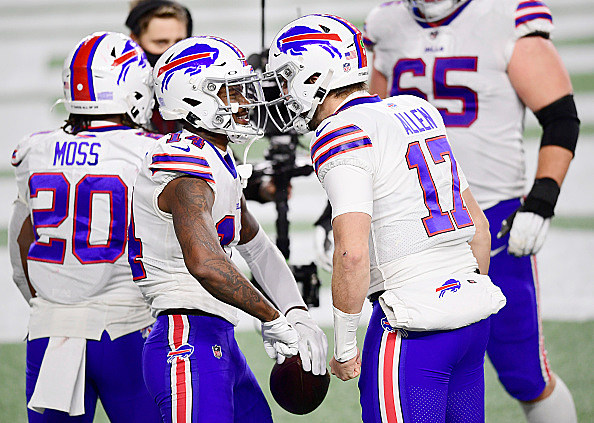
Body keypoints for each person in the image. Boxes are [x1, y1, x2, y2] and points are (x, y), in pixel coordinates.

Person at [264, 13, 507, 422]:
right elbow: (478, 227)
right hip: (471, 314)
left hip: (412, 326)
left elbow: (353, 254)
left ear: (314, 75)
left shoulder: (342, 132)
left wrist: (343, 349)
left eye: (287, 79)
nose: (283, 93)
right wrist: (465, 295)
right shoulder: (417, 109)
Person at [363, 1, 579, 421]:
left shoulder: (505, 16)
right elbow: (368, 124)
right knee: (416, 358)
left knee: (525, 373)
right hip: (413, 225)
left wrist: (541, 201)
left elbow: (560, 118)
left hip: (493, 220)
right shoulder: (386, 22)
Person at [129, 36, 328, 422]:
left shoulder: (215, 157)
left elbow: (258, 247)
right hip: (184, 337)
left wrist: (296, 312)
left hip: (216, 337)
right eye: (233, 91)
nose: (247, 101)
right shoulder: (184, 167)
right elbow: (204, 262)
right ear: (195, 100)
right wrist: (272, 318)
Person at [9, 32, 162, 421]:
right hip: (126, 328)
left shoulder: (35, 149)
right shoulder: (151, 151)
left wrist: (46, 300)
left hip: (49, 328)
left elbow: (21, 243)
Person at [126, 0, 193, 134]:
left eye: (180, 42)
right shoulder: (120, 101)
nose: (172, 52)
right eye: (161, 42)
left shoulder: (200, 96)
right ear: (134, 41)